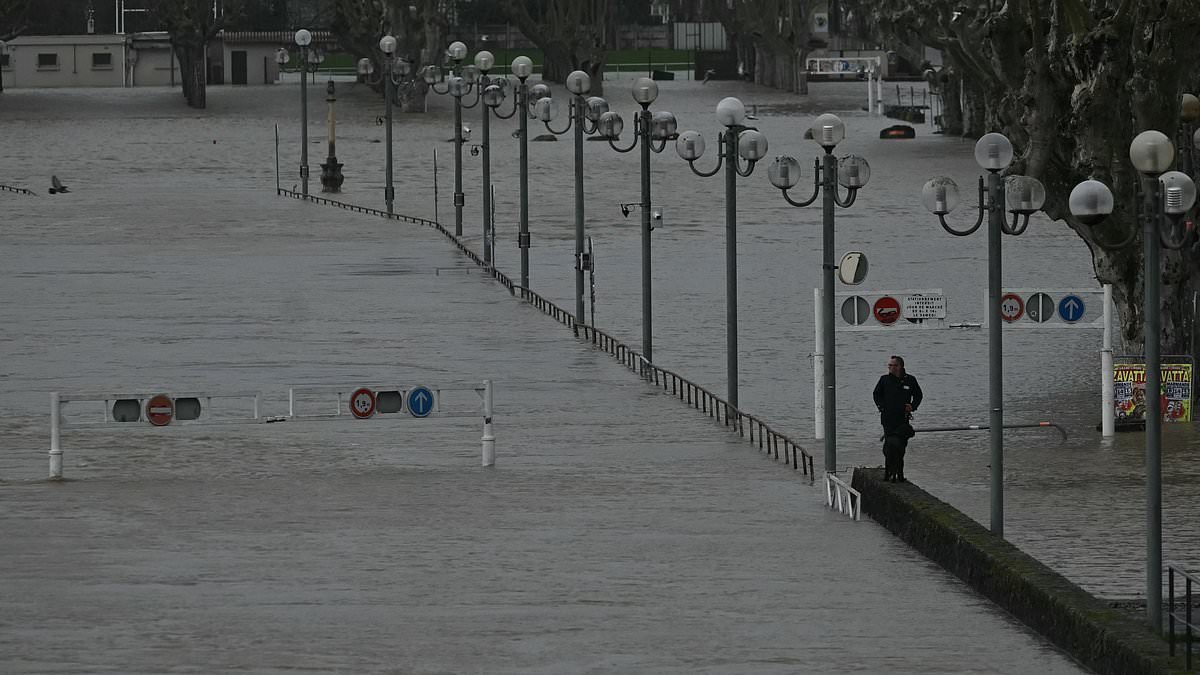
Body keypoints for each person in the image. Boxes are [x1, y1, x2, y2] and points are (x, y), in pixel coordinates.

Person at [872, 355, 923, 482]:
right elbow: (876, 394)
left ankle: (899, 474)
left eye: (892, 365)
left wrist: (912, 406)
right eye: (889, 365)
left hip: (902, 420)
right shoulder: (884, 380)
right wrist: (882, 407)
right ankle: (889, 472)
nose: (890, 368)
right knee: (890, 446)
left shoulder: (910, 380)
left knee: (901, 447)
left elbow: (918, 395)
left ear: (899, 366)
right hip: (888, 419)